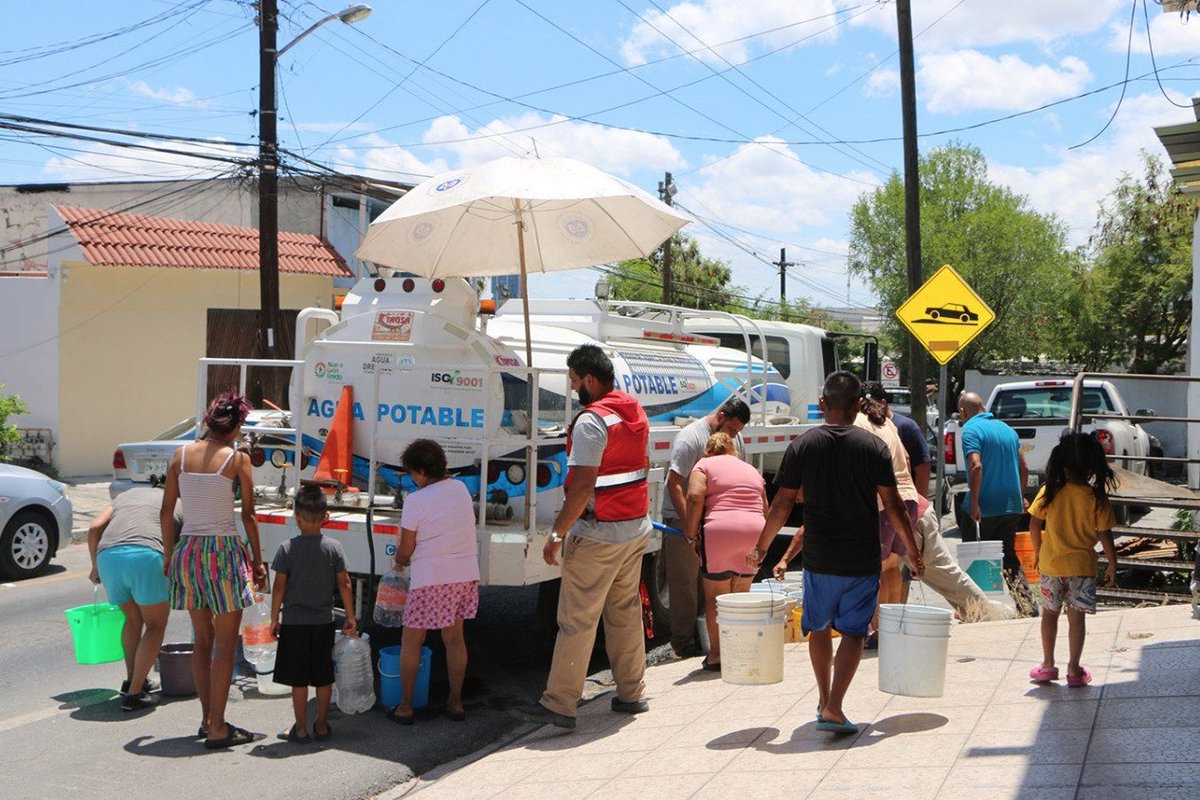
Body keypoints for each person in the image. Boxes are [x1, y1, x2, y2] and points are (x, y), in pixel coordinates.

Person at [750, 371, 924, 735]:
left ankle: (824, 699)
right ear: (859, 406)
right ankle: (833, 706)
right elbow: (893, 505)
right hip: (861, 558)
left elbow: (782, 503)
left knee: (817, 628)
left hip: (819, 558)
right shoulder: (872, 447)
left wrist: (761, 548)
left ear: (822, 404)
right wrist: (913, 551)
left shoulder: (803, 445)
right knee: (854, 633)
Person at [515, 344, 652, 730]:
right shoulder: (632, 409)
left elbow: (581, 487)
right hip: (634, 527)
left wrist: (556, 533)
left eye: (574, 380)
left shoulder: (592, 421)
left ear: (589, 379)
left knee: (577, 619)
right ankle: (631, 692)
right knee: (624, 613)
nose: (573, 386)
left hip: (598, 533)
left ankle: (560, 703)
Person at [161, 390, 266, 750]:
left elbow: (166, 512)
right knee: (224, 646)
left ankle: (208, 719)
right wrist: (258, 560)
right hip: (222, 552)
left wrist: (167, 555)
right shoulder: (237, 460)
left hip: (188, 551)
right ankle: (219, 727)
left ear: (208, 420)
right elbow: (249, 516)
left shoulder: (180, 455)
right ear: (235, 424)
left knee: (201, 642)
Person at [862, 383, 1011, 622]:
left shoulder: (884, 426)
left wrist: (910, 511)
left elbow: (920, 465)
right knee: (900, 571)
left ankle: (987, 614)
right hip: (908, 509)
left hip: (904, 511)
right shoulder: (887, 424)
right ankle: (887, 626)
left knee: (906, 571)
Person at [385, 439, 480, 725]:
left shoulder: (415, 501)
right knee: (454, 639)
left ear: (421, 472)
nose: (412, 480)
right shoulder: (461, 489)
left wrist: (400, 561)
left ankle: (405, 706)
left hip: (431, 580)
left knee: (412, 640)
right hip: (464, 575)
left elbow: (405, 551)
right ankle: (455, 702)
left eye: (412, 473)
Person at [661, 397, 750, 658]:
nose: (734, 436)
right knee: (684, 581)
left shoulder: (735, 438)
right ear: (721, 417)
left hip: (714, 519)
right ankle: (683, 642)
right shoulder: (691, 438)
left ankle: (706, 639)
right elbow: (675, 483)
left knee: (709, 581)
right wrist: (690, 526)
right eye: (732, 429)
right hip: (684, 518)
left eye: (738, 431)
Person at [1027, 434, 1118, 688]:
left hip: (1051, 565)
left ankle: (1047, 665)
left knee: (1049, 615)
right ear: (1092, 468)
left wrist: (1037, 551)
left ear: (1061, 463)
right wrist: (1112, 562)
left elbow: (1034, 522)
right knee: (1076, 618)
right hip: (1082, 568)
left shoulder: (1050, 491)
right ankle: (1074, 669)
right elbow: (1104, 533)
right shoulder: (1096, 497)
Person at [269, 484, 357, 743]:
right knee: (322, 677)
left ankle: (300, 728)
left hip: (294, 623)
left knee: (298, 680)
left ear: (297, 517)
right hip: (323, 622)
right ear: (325, 517)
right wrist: (350, 616)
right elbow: (345, 584)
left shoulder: (287, 548)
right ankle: (320, 724)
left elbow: (278, 586)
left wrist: (274, 618)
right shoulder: (334, 548)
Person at [87, 487, 182, 711]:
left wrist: (94, 567)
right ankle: (134, 694)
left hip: (108, 557)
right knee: (155, 626)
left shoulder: (124, 496)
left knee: (132, 619)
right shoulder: (177, 501)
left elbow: (93, 528)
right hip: (146, 555)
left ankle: (132, 680)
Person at [681, 432, 767, 671]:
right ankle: (742, 652)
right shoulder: (749, 469)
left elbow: (695, 495)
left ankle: (718, 654)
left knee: (716, 597)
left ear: (709, 451)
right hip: (754, 532)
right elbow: (765, 506)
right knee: (741, 596)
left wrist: (690, 535)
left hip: (720, 532)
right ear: (732, 450)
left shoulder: (704, 464)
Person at [854, 383, 923, 649]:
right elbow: (905, 456)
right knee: (892, 565)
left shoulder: (859, 423)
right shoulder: (887, 422)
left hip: (886, 502)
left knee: (880, 568)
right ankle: (890, 627)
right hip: (908, 496)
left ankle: (881, 630)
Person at [958, 391, 1037, 614]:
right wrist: (1019, 496)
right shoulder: (1008, 431)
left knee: (973, 560)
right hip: (1010, 505)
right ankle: (1027, 606)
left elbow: (975, 466)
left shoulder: (971, 430)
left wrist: (974, 503)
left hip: (984, 507)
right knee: (1008, 558)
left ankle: (975, 610)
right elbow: (1024, 467)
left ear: (963, 411)